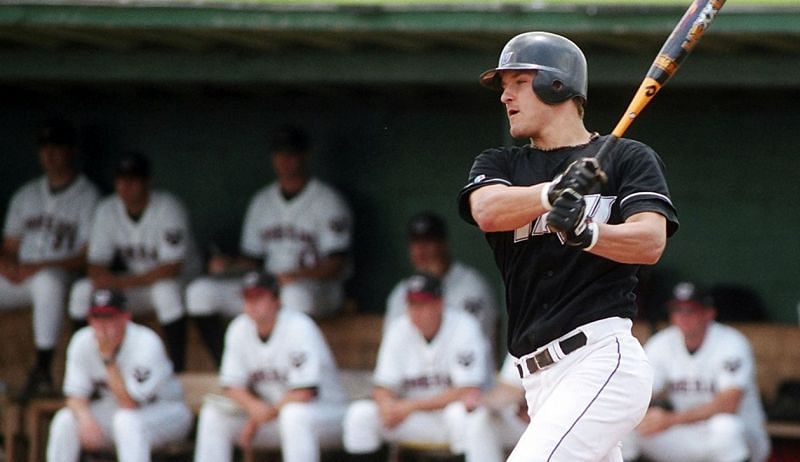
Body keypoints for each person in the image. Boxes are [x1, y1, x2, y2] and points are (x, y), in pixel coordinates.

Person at [457, 31, 680, 461]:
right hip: (536, 380)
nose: (505, 97)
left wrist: (587, 231)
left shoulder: (628, 158)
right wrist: (552, 192)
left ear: (555, 85)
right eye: (504, 87)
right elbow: (487, 210)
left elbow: (650, 241)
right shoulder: (500, 164)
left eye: (518, 83)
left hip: (600, 359)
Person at [185, 125, 353, 365]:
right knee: (199, 293)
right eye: (280, 153)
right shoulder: (262, 202)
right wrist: (229, 266)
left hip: (317, 288)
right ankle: (228, 369)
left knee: (295, 297)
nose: (285, 160)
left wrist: (294, 276)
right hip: (269, 287)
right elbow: (252, 260)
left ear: (305, 156)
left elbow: (337, 263)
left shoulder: (328, 201)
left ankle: (291, 369)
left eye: (292, 153)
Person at [193, 271, 348, 462]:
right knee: (213, 415)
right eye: (247, 297)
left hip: (324, 415)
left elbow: (304, 393)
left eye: (258, 297)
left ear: (276, 300)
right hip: (272, 417)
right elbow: (232, 386)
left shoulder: (299, 327)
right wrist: (254, 407)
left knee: (294, 415)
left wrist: (257, 418)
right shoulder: (238, 328)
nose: (251, 303)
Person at [68, 152, 201, 372]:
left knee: (164, 290)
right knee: (82, 291)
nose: (126, 185)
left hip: (179, 284)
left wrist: (119, 283)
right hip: (136, 286)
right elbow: (95, 263)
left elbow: (171, 268)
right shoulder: (107, 209)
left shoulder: (168, 207)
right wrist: (103, 279)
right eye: (121, 179)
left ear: (148, 182)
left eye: (133, 179)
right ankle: (80, 369)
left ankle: (179, 370)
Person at [0, 117, 100, 401]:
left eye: (57, 147)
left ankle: (43, 368)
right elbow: (10, 245)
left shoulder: (88, 195)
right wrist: (6, 264)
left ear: (71, 151)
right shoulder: (26, 195)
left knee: (47, 281)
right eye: (45, 147)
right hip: (21, 277)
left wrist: (40, 266)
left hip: (60, 278)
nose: (50, 154)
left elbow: (86, 257)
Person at [343, 272, 491, 460]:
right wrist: (386, 405)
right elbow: (383, 386)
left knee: (460, 415)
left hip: (448, 415)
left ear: (439, 304)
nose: (416, 311)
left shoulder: (464, 326)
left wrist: (409, 407)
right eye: (412, 304)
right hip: (412, 416)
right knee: (360, 415)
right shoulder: (399, 329)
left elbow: (467, 390)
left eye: (423, 304)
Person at [622, 282, 771, 462]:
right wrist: (645, 416)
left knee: (725, 427)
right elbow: (638, 393)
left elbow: (729, 404)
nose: (683, 317)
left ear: (709, 313)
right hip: (685, 428)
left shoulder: (731, 342)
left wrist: (669, 420)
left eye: (691, 310)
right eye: (677, 310)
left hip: (742, 436)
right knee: (624, 427)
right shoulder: (661, 343)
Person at [46, 288, 192, 462]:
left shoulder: (145, 342)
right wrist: (85, 420)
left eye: (108, 317)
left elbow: (129, 403)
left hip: (165, 411)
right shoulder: (82, 341)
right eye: (97, 317)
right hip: (115, 410)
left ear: (126, 317)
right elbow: (75, 396)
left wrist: (108, 358)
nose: (102, 324)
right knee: (65, 419)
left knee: (127, 421)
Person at [383, 211, 498, 349]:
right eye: (415, 243)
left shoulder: (472, 287)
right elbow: (393, 347)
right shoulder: (400, 293)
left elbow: (476, 344)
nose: (421, 250)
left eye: (428, 242)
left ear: (444, 244)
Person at [463, 354, 528, 462]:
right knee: (482, 420)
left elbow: (517, 393)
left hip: (554, 422)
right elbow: (511, 388)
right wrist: (482, 401)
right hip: (525, 421)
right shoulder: (524, 340)